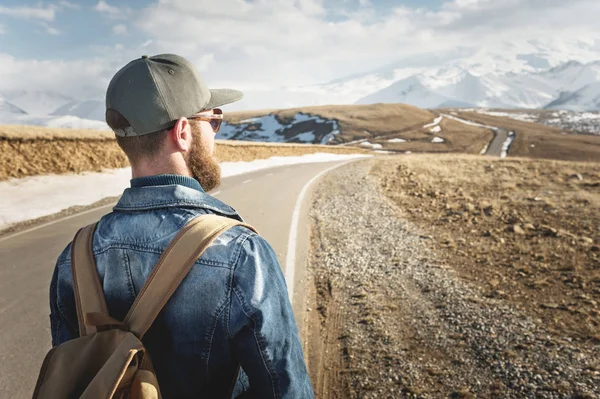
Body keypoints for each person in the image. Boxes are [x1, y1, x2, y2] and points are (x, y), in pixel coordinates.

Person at [49, 54, 314, 398]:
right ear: (184, 132)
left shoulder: (74, 257)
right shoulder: (240, 253)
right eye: (213, 120)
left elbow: (70, 378)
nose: (216, 134)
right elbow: (286, 390)